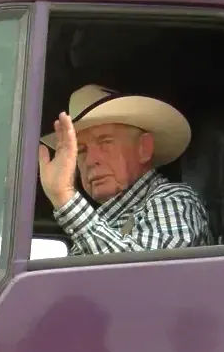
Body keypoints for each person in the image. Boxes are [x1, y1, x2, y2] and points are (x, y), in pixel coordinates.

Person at [38, 84, 211, 255]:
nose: (90, 160)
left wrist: (65, 199)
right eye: (82, 151)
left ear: (144, 148)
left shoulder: (172, 200)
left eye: (105, 142)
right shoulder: (94, 227)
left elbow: (139, 275)